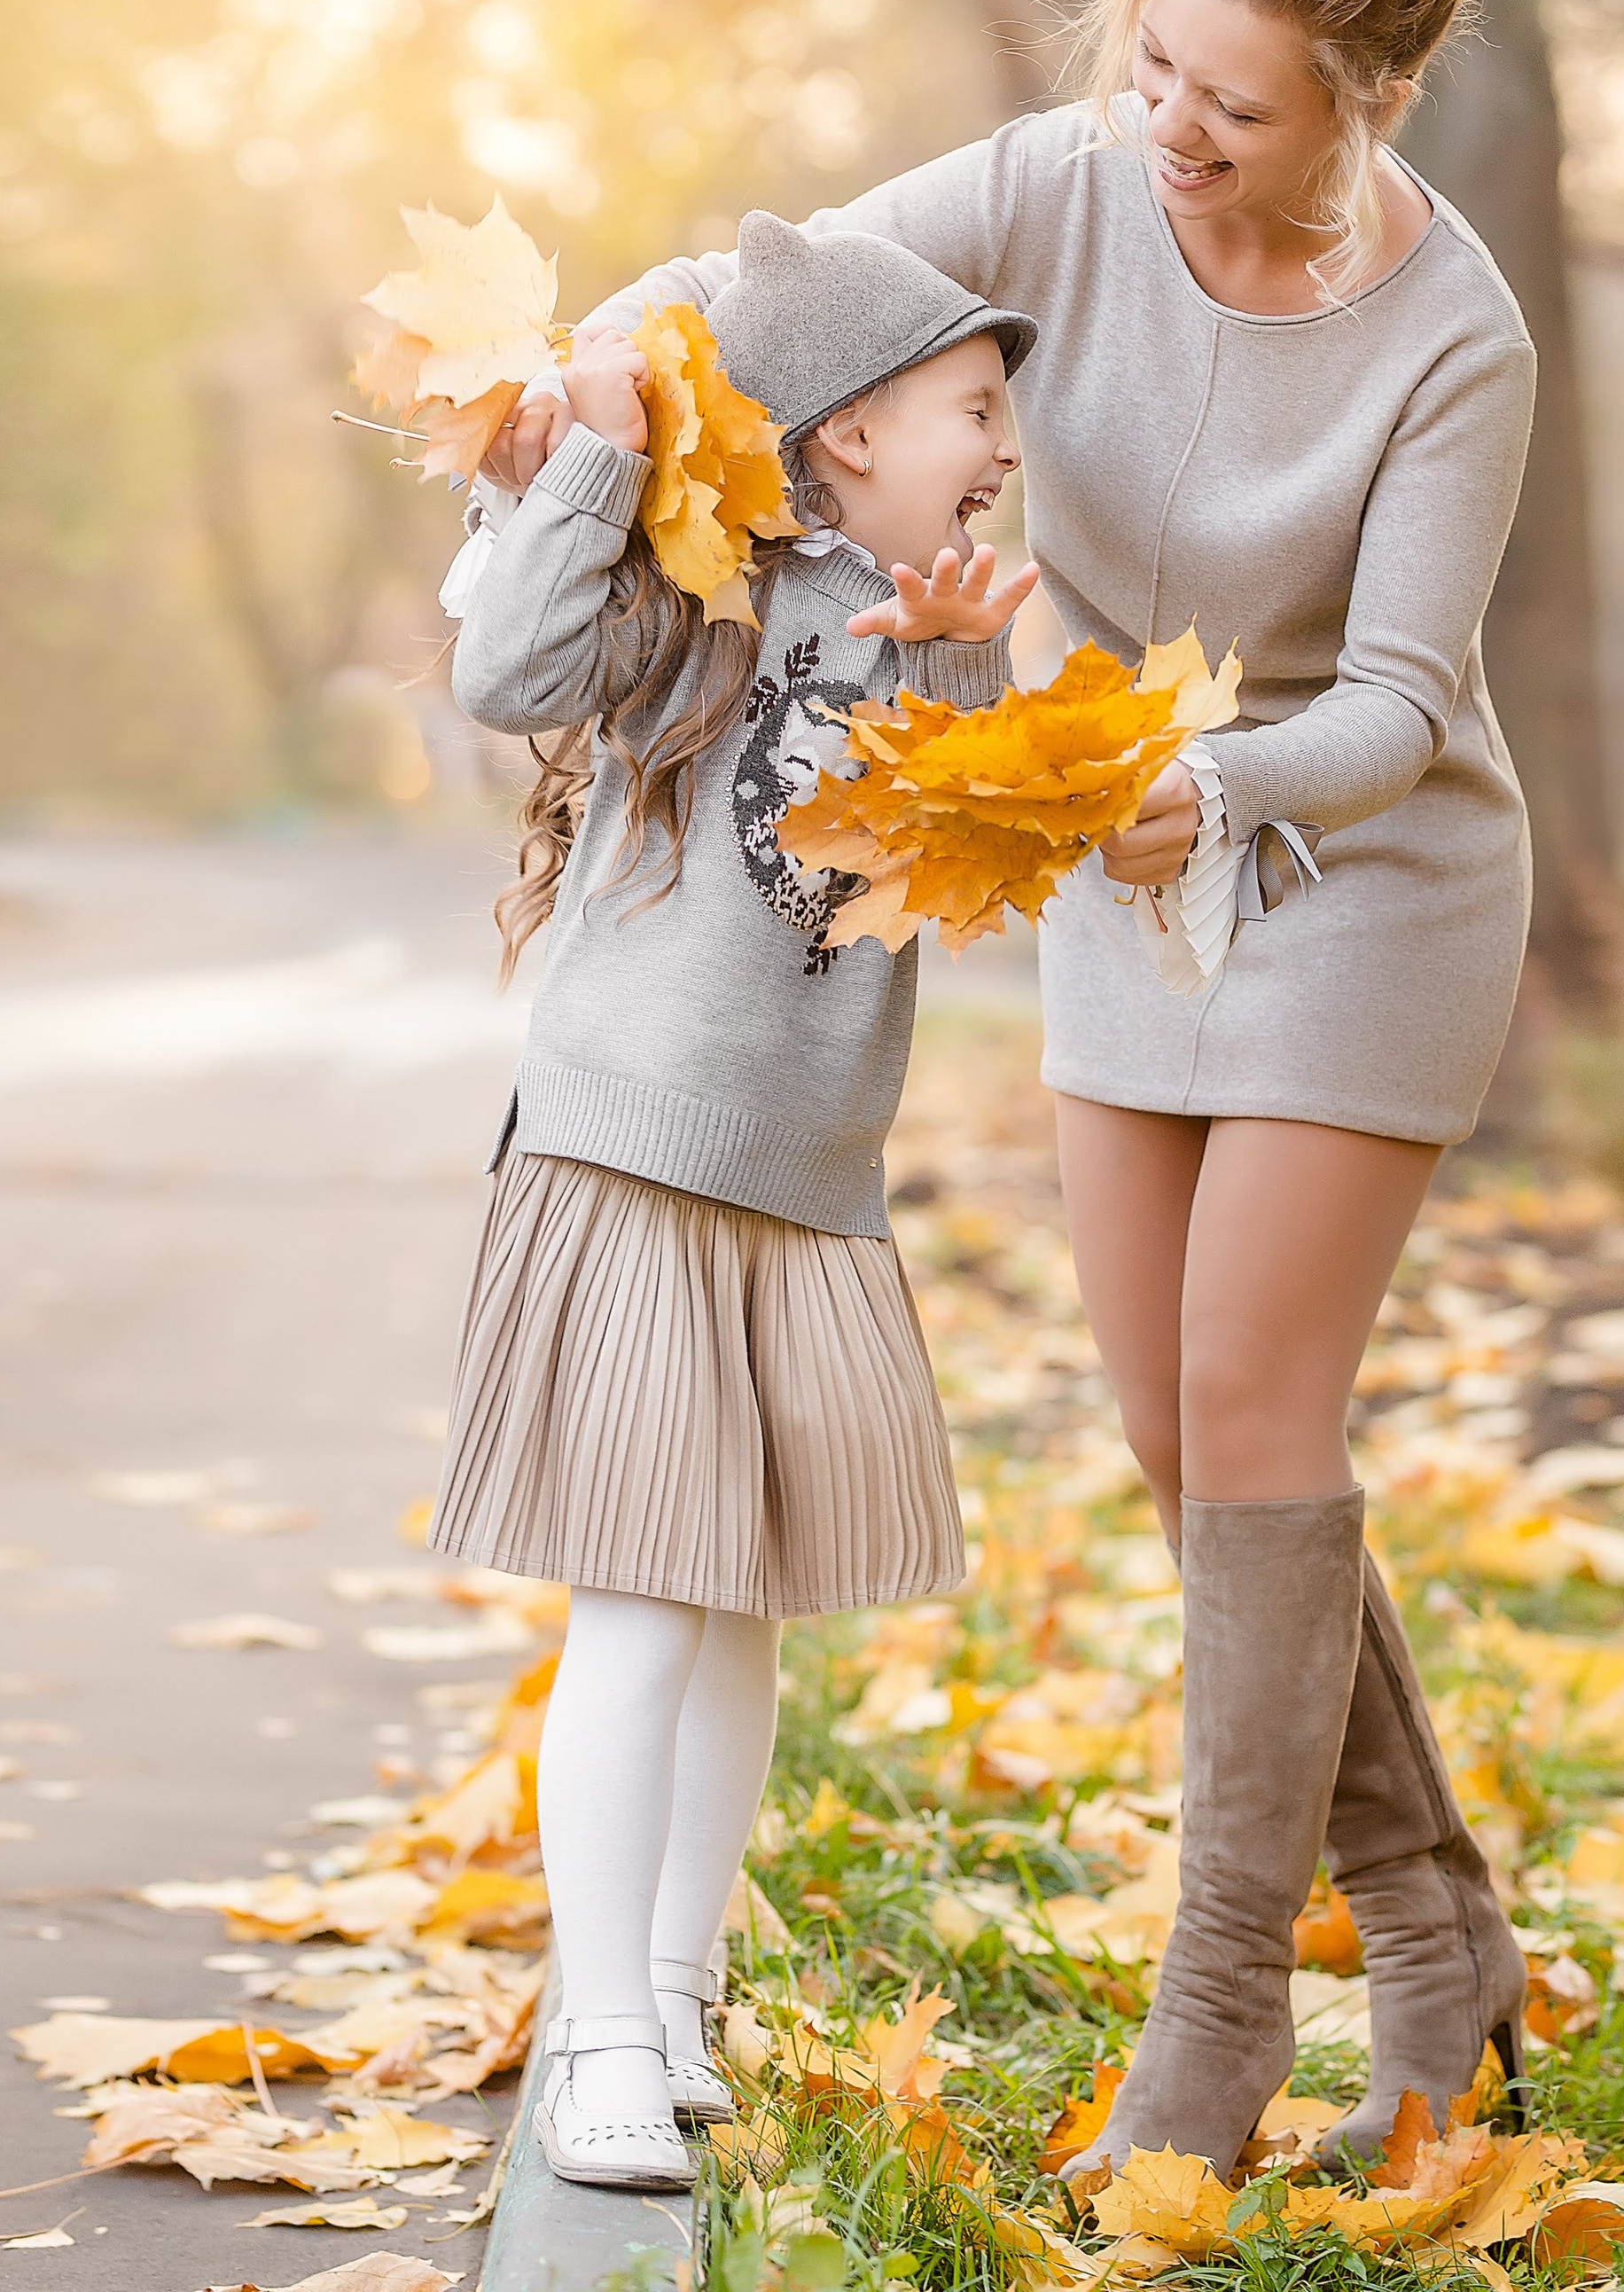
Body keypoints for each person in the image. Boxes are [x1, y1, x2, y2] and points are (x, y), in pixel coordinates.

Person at [496, 0, 1538, 2179]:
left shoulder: (1454, 334)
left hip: (1345, 875)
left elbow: (1394, 702)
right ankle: (1434, 1924)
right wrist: (582, 373)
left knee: (1262, 1426)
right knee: (1191, 1451)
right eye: (1158, 57)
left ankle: (1219, 2025)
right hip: (1105, 852)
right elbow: (766, 289)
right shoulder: (1062, 183)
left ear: (1368, 99)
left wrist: (1224, 784)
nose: (1173, 125)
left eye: (1240, 106)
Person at [433, 211, 1039, 2189]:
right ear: (845, 431)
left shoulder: (924, 613)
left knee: (741, 1607)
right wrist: (596, 455)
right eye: (970, 404)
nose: (1001, 442)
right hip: (632, 1147)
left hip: (803, 1173)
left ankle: (677, 1988)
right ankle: (596, 2022)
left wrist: (969, 678)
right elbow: (503, 662)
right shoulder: (704, 587)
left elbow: (957, 871)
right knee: (640, 1599)